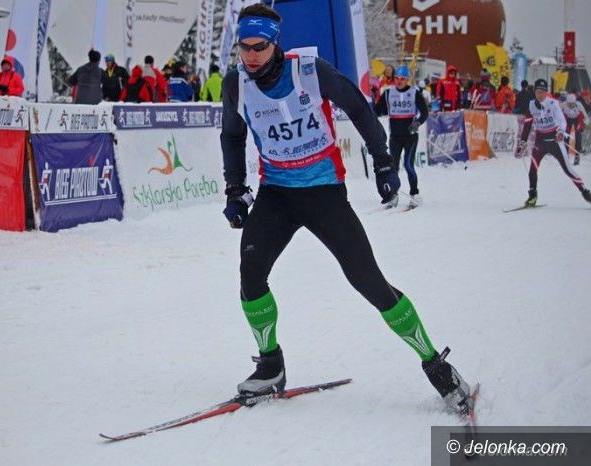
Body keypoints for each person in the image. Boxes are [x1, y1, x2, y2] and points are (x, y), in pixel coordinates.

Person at [220, 2, 474, 415]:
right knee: (250, 273)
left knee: (368, 281)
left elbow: (358, 108)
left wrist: (384, 162)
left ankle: (437, 367)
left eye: (259, 47)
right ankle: (270, 367)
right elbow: (232, 135)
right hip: (277, 193)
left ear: (275, 43)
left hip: (323, 193)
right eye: (243, 47)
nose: (250, 55)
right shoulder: (236, 83)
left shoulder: (308, 70)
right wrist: (235, 190)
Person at [517, 79, 591, 206]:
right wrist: (523, 141)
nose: (541, 94)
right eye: (538, 91)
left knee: (568, 169)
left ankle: (585, 192)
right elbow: (528, 124)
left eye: (543, 92)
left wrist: (561, 132)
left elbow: (562, 120)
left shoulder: (553, 103)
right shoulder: (531, 105)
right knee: (533, 168)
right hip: (540, 142)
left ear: (547, 92)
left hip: (555, 141)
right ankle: (532, 195)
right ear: (534, 91)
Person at [374, 65, 428, 206]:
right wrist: (373, 99)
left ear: (407, 79)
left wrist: (417, 123)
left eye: (402, 79)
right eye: (397, 78)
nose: (399, 81)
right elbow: (377, 110)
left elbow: (425, 112)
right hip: (395, 137)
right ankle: (393, 194)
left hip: (410, 136)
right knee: (394, 167)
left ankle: (414, 193)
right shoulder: (388, 93)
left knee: (409, 165)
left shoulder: (414, 93)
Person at [561, 93, 589, 164]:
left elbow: (585, 114)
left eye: (572, 103)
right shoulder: (563, 104)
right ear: (567, 102)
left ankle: (577, 156)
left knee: (578, 137)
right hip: (567, 119)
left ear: (575, 102)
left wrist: (586, 123)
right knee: (566, 136)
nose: (570, 105)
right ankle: (565, 156)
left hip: (577, 119)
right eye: (569, 104)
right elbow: (557, 113)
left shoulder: (579, 104)